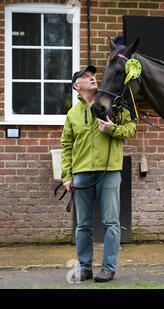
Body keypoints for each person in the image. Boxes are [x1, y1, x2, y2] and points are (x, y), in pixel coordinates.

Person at [60, 66, 136, 282]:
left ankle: (109, 268)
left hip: (110, 172)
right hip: (82, 174)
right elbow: (66, 146)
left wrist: (112, 129)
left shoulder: (114, 104)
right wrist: (66, 175)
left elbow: (131, 128)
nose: (91, 77)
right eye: (85, 76)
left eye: (92, 75)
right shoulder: (72, 115)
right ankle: (85, 267)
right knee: (82, 224)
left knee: (111, 222)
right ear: (77, 86)